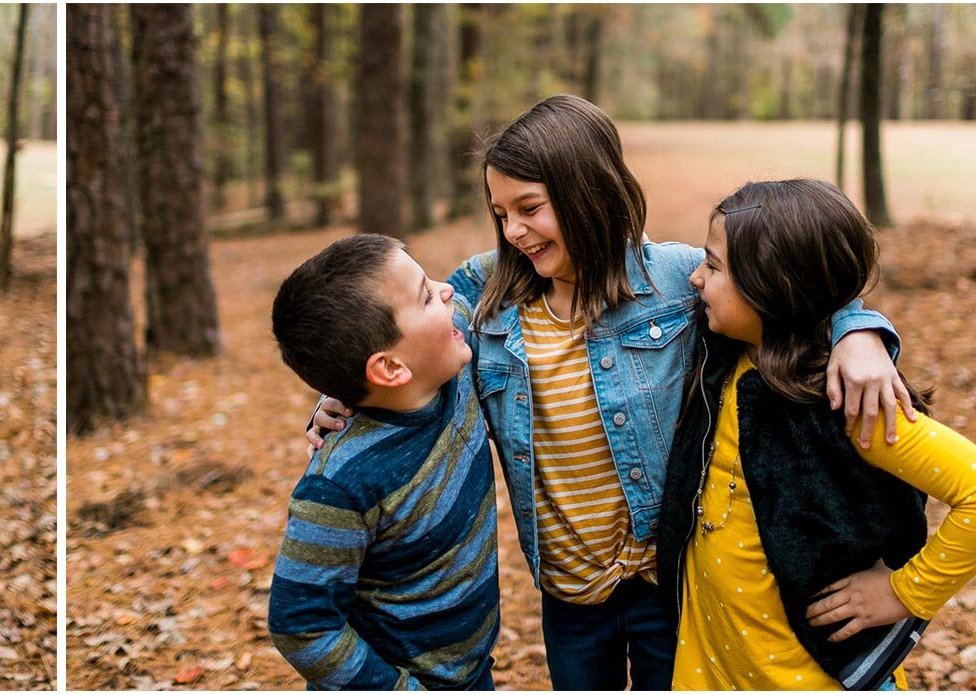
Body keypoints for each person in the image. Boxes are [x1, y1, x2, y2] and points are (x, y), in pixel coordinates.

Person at [305, 94, 910, 689]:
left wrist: (856, 329)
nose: (514, 230)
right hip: (570, 593)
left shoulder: (675, 280)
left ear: (589, 193)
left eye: (530, 208)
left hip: (666, 579)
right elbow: (401, 345)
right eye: (501, 213)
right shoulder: (485, 300)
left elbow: (791, 292)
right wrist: (345, 393)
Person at [660, 179, 976, 690]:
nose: (696, 278)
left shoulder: (845, 403)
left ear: (774, 288)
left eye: (715, 267)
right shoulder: (725, 354)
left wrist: (904, 593)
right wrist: (857, 324)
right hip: (716, 668)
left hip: (808, 676)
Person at [265, 234, 498, 690]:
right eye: (427, 295)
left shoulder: (446, 361)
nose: (447, 291)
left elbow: (481, 273)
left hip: (470, 671)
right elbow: (301, 623)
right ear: (391, 369)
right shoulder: (340, 486)